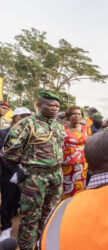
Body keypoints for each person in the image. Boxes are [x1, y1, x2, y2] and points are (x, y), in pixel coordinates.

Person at [1, 91, 65, 250]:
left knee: (50, 216)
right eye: (50, 105)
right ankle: (27, 247)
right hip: (35, 178)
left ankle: (43, 244)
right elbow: (8, 152)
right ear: (39, 105)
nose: (54, 108)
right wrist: (19, 168)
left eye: (57, 106)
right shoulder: (26, 124)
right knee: (30, 218)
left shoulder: (58, 124)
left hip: (56, 176)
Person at [0, 107, 31, 241]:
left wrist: (22, 172)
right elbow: (3, 155)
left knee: (22, 203)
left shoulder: (32, 134)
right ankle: (6, 228)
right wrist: (15, 173)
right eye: (22, 116)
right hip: (7, 173)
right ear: (14, 118)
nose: (25, 119)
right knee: (8, 202)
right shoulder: (3, 133)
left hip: (26, 173)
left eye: (28, 116)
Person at [62, 106, 91, 200]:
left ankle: (77, 206)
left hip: (82, 164)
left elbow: (90, 144)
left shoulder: (86, 128)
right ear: (69, 116)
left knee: (80, 186)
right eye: (74, 113)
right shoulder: (62, 128)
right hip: (67, 163)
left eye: (79, 114)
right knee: (66, 186)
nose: (77, 116)